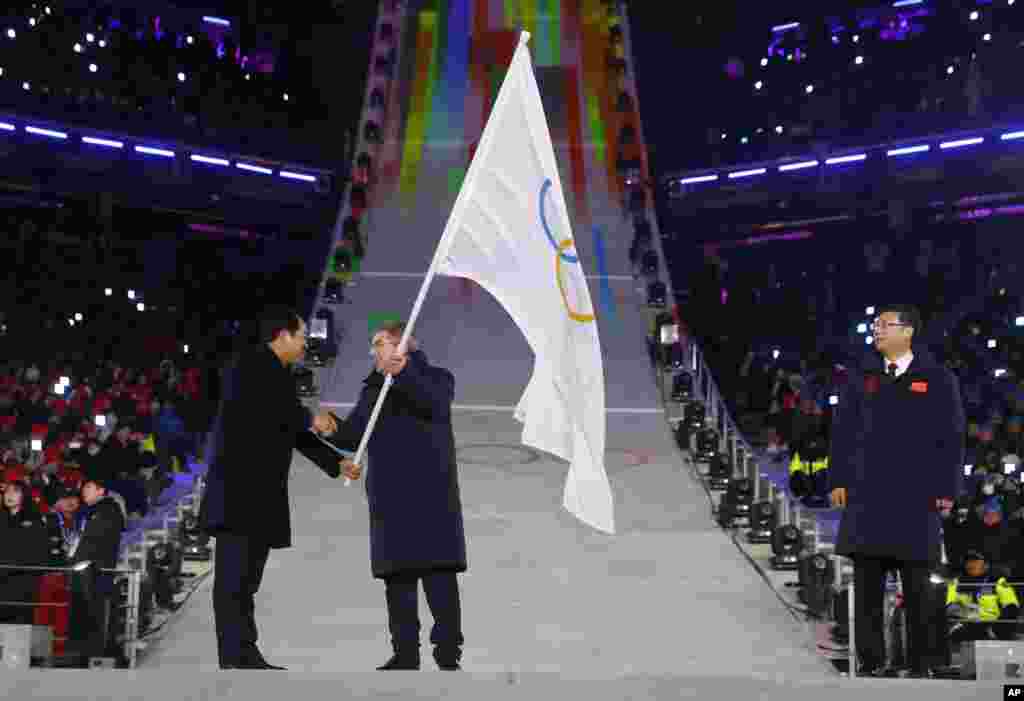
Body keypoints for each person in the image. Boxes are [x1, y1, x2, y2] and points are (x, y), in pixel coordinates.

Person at [198, 306, 345, 671]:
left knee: (247, 580)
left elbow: (290, 428)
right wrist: (312, 417)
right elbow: (276, 412)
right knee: (233, 580)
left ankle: (245, 652)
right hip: (238, 495)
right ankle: (233, 656)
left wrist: (336, 462)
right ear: (282, 335)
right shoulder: (251, 366)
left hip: (259, 498)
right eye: (301, 336)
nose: (305, 342)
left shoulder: (277, 374)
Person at [830, 304, 965, 678]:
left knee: (920, 589)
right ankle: (871, 663)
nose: (877, 331)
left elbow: (951, 439)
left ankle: (921, 664)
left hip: (915, 499)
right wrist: (838, 479)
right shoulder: (861, 378)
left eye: (884, 325)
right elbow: (841, 432)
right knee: (868, 589)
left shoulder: (937, 378)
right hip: (867, 499)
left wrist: (947, 489)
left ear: (907, 332)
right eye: (875, 325)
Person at [328, 320, 467, 671]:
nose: (374, 351)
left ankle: (447, 652)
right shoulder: (373, 389)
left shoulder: (437, 378)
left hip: (430, 497)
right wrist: (331, 427)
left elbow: (433, 404)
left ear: (400, 345)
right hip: (390, 497)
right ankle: (405, 652)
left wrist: (404, 372)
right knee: (398, 580)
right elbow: (355, 435)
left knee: (439, 577)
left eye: (379, 344)